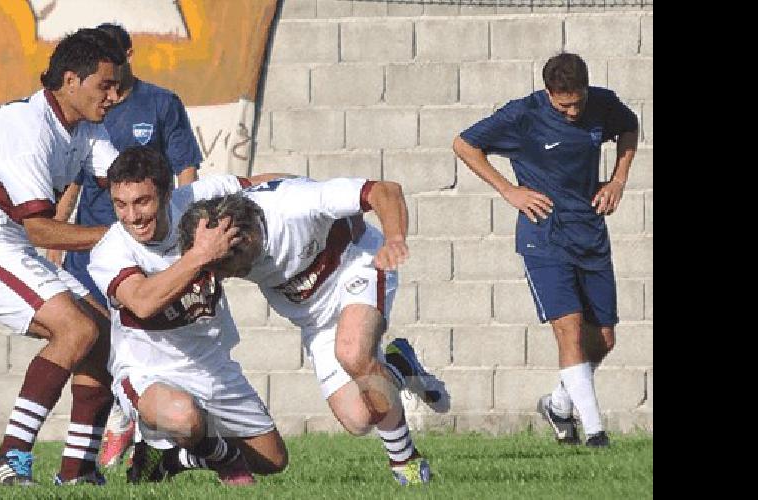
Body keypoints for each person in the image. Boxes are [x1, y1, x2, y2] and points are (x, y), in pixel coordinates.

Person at [0, 28, 126, 486]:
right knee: (75, 328)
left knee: (103, 334)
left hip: (7, 247)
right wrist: (123, 240)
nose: (116, 96)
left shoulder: (84, 128)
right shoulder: (25, 129)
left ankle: (78, 470)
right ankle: (9, 459)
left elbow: (125, 181)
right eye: (106, 85)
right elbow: (41, 229)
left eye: (118, 85)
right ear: (70, 81)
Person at [177, 176, 451, 485]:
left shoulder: (295, 206)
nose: (224, 276)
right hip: (313, 318)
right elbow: (262, 179)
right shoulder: (217, 239)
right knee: (359, 419)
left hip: (356, 267)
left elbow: (385, 190)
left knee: (351, 352)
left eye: (226, 267)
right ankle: (399, 367)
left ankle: (407, 464)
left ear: (247, 238)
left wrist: (395, 239)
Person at [451, 52, 639, 448]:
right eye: (564, 104)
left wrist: (618, 179)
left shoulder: (603, 105)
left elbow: (629, 126)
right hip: (544, 237)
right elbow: (464, 144)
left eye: (578, 102)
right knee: (568, 330)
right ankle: (595, 434)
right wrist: (508, 190)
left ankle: (557, 404)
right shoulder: (523, 115)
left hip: (590, 232)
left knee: (603, 340)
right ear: (549, 94)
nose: (572, 112)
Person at [46, 22, 205, 467]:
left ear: (127, 57)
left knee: (148, 342)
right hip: (92, 249)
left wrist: (187, 233)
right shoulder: (90, 110)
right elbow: (74, 181)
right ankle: (105, 430)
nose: (109, 87)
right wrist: (57, 234)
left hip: (147, 251)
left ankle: (141, 429)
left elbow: (186, 171)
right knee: (95, 344)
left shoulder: (161, 103)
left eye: (114, 70)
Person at [87, 146, 290, 485]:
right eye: (120, 205)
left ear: (167, 193)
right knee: (184, 418)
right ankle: (218, 456)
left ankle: (168, 457)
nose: (132, 217)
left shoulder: (197, 200)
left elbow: (260, 184)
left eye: (142, 202)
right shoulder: (110, 251)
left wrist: (316, 194)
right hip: (147, 370)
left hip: (212, 364)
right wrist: (200, 255)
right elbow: (142, 302)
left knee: (273, 461)